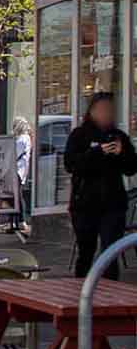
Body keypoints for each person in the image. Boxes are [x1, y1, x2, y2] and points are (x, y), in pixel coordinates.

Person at [64, 93, 137, 280]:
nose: (107, 114)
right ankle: (81, 292)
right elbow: (71, 164)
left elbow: (131, 168)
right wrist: (97, 152)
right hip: (85, 204)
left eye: (110, 110)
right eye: (102, 109)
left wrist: (122, 153)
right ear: (92, 111)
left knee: (110, 252)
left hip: (113, 204)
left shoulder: (119, 136)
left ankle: (110, 296)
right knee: (86, 252)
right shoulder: (80, 135)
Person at [13, 116, 33, 232]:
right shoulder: (25, 138)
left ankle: (21, 220)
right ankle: (18, 221)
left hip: (18, 170)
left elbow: (15, 154)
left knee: (18, 196)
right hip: (20, 170)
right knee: (17, 195)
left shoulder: (22, 139)